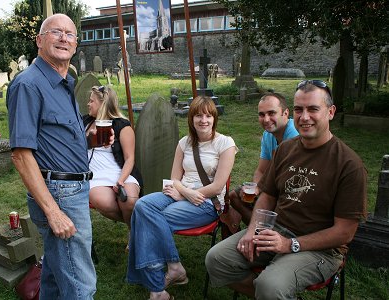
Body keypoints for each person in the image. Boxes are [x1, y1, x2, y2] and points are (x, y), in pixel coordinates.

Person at [205, 80, 367, 299]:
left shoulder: (349, 165)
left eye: (313, 109)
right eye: (299, 109)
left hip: (321, 249)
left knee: (270, 285)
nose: (304, 116)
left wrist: (290, 245)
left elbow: (344, 232)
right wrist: (254, 229)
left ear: (330, 112)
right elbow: (268, 195)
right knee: (216, 260)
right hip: (276, 231)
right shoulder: (285, 148)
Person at [7, 14, 97, 299]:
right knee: (81, 286)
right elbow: (21, 155)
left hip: (72, 189)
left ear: (75, 44)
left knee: (56, 281)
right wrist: (54, 212)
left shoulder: (65, 80)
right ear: (39, 40)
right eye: (55, 32)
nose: (63, 38)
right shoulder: (28, 84)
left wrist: (88, 139)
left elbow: (54, 135)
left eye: (70, 34)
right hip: (60, 195)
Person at [127, 96, 237, 300]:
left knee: (151, 220)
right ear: (191, 119)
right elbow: (174, 178)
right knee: (142, 205)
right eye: (198, 116)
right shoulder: (184, 143)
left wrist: (190, 194)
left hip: (206, 203)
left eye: (208, 116)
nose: (203, 120)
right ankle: (174, 266)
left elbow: (218, 186)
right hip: (180, 193)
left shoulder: (225, 144)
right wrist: (184, 193)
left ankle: (158, 285)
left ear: (214, 118)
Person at [224, 92, 298, 231]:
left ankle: (266, 232)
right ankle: (259, 231)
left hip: (288, 192)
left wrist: (260, 189)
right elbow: (261, 170)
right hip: (271, 187)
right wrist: (255, 188)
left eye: (271, 113)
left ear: (285, 113)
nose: (266, 119)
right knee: (235, 196)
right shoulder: (268, 134)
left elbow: (284, 176)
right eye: (262, 114)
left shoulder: (293, 133)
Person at [83, 85, 142, 247]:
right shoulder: (85, 122)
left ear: (103, 104)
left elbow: (130, 159)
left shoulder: (122, 126)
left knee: (129, 201)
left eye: (92, 101)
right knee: (103, 202)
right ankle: (139, 225)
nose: (88, 104)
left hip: (121, 172)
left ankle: (134, 233)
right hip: (95, 176)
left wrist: (121, 180)